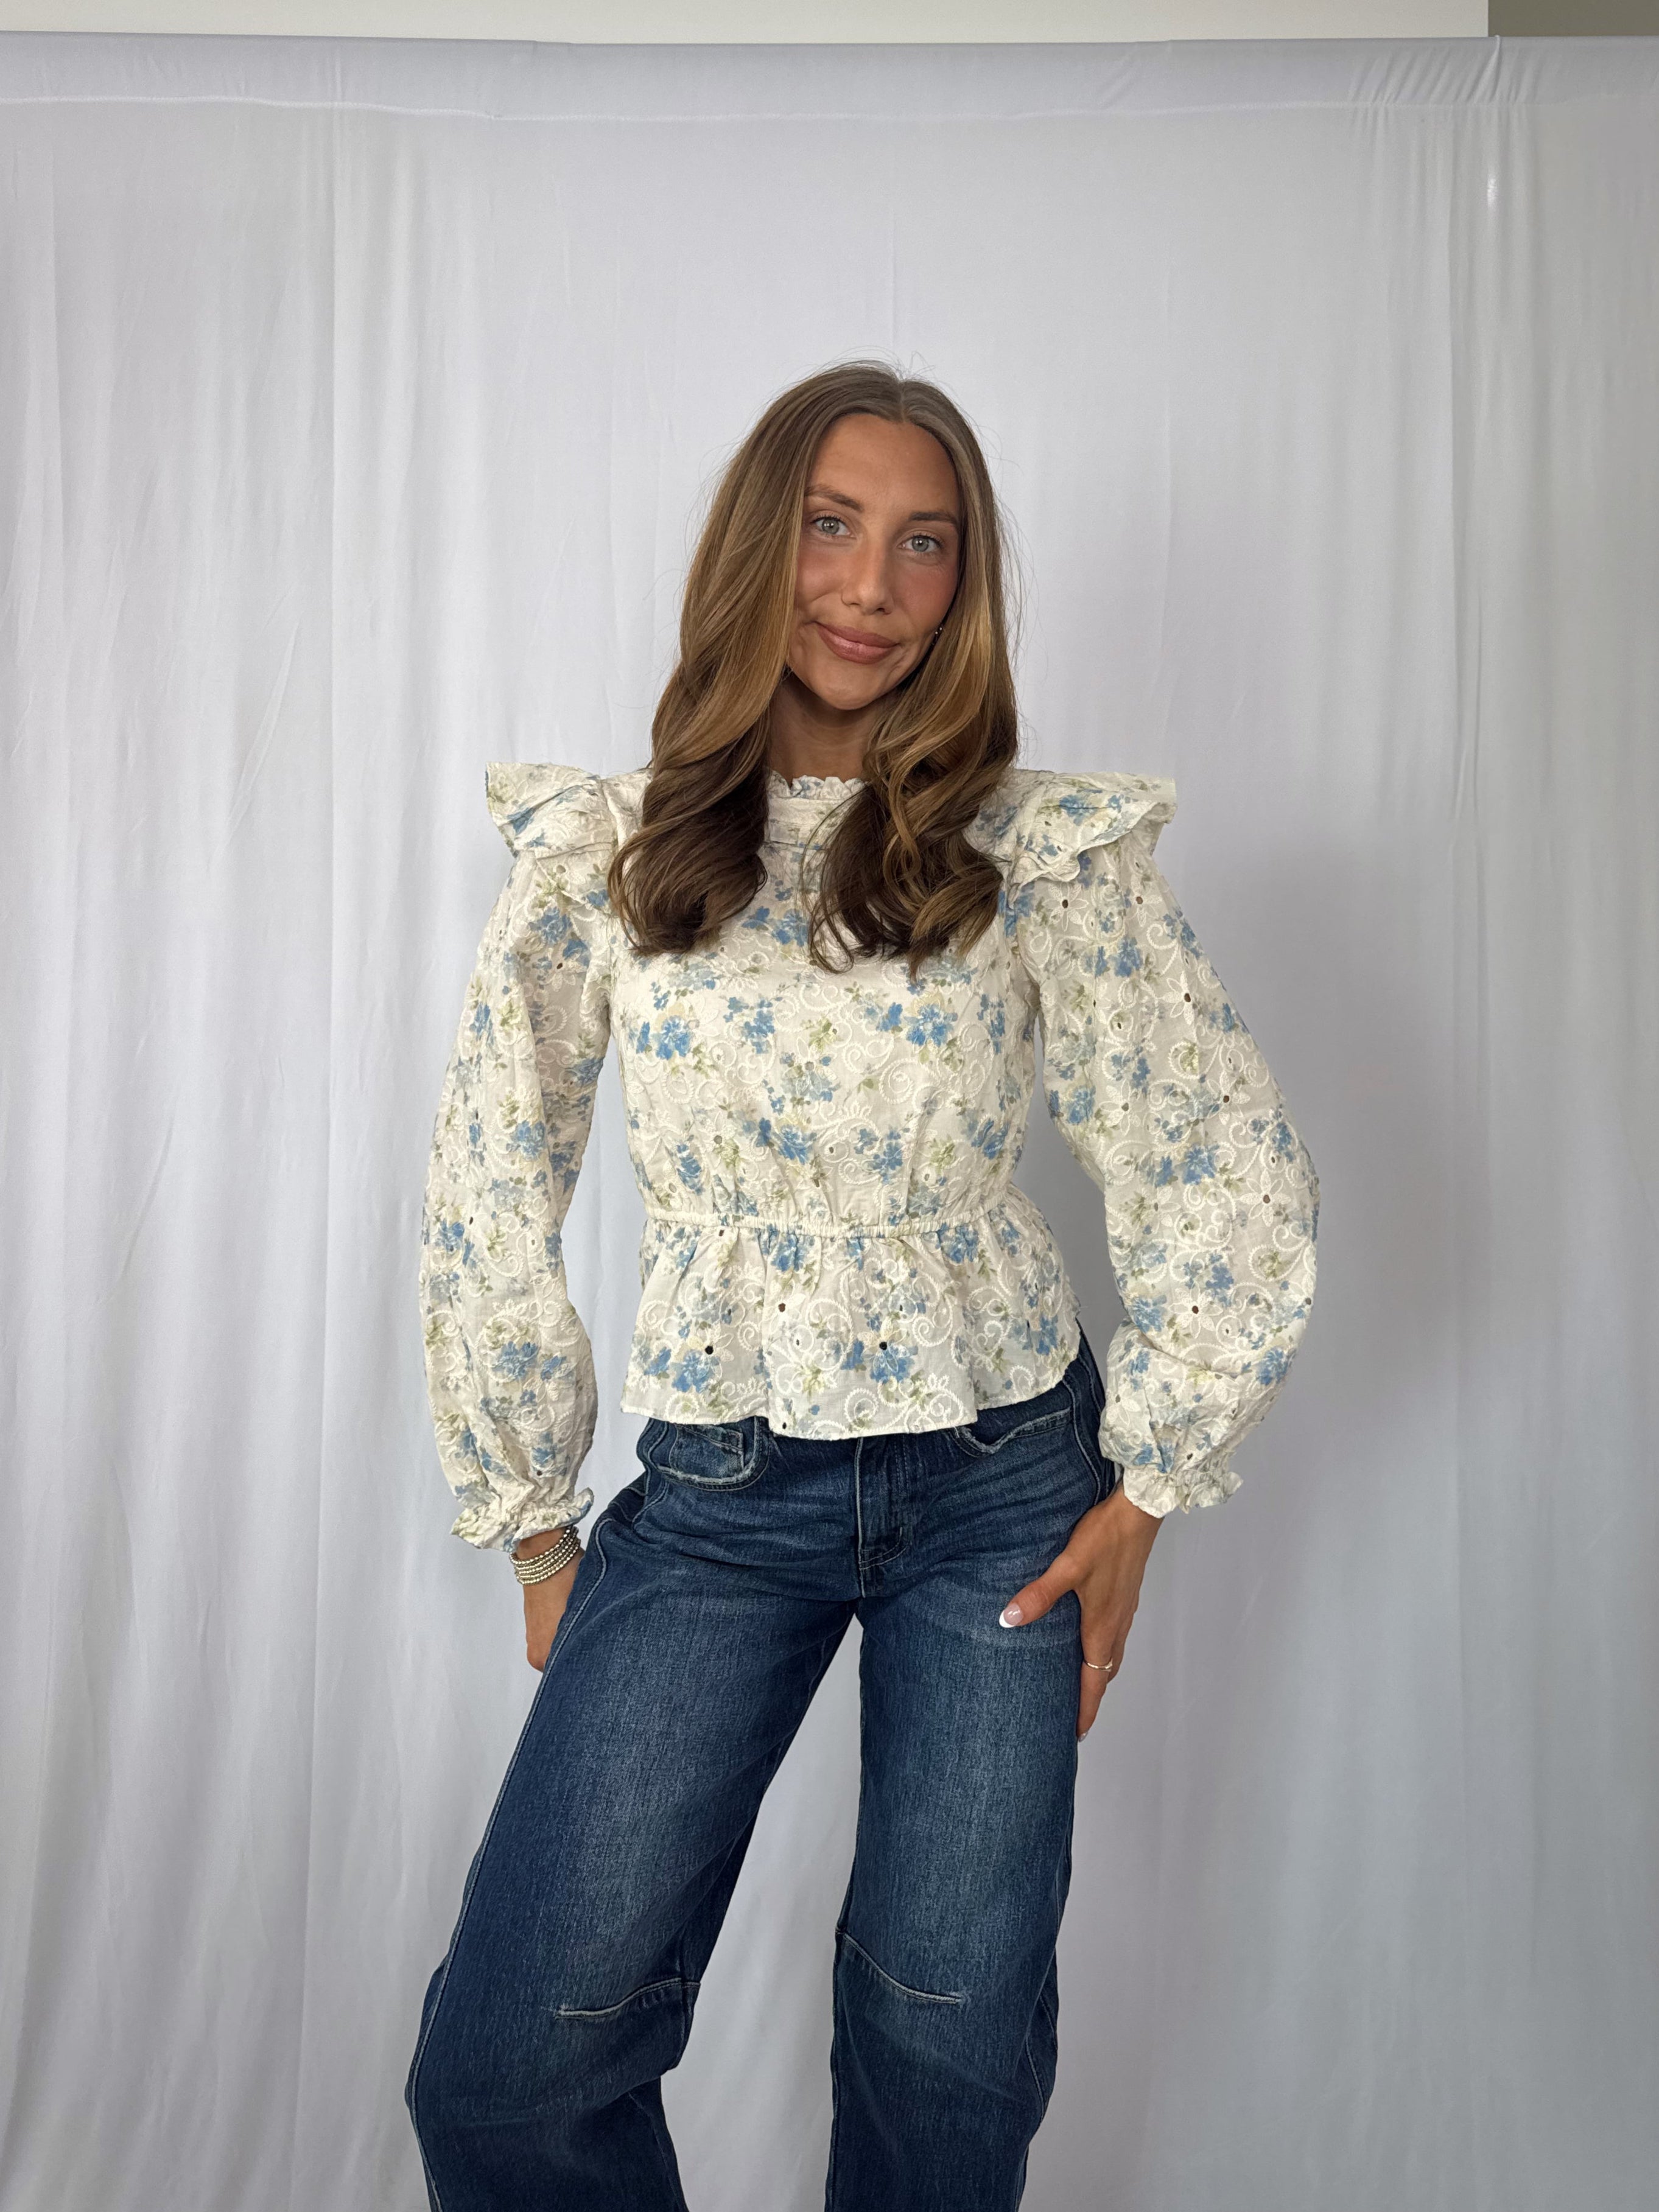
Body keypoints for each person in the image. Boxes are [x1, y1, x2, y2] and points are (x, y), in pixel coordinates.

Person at [404, 360, 1319, 2211]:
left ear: (963, 586)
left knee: (945, 2052)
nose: (873, 585)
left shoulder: (1032, 853)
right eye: (834, 527)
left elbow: (1213, 1156)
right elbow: (489, 1184)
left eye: (926, 544)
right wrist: (533, 1520)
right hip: (720, 1498)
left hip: (1006, 1493)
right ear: (763, 545)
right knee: (508, 2069)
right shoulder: (618, 852)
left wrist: (1148, 1487)